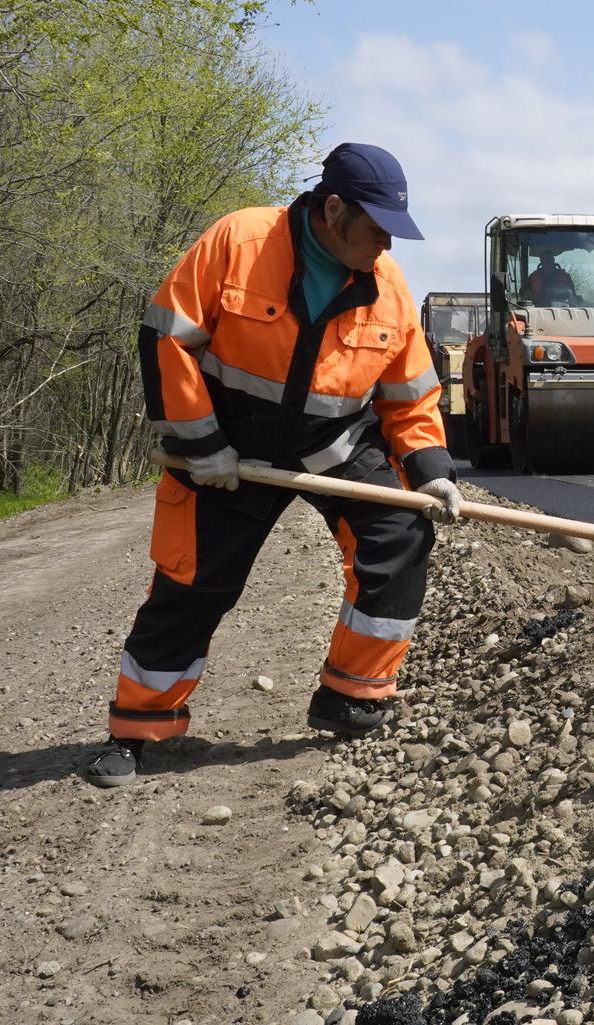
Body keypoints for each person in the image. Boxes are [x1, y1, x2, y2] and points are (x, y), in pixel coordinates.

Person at [83, 143, 463, 787]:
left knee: (401, 534)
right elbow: (167, 338)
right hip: (227, 447)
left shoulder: (388, 288)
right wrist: (203, 447)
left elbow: (410, 395)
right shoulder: (239, 241)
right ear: (333, 210)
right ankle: (138, 728)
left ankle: (352, 696)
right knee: (193, 583)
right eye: (377, 231)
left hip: (333, 446)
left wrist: (431, 470)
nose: (386, 248)